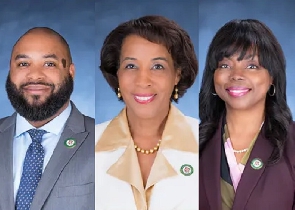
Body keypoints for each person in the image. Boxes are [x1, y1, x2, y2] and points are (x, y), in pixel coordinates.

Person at [95, 15, 199, 210]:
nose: (143, 80)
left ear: (177, 74)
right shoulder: (87, 145)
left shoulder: (209, 142)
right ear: (117, 73)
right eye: (131, 66)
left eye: (157, 66)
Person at [199, 19, 295, 210]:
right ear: (213, 76)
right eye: (225, 65)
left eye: (252, 66)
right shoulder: (191, 142)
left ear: (272, 78)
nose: (236, 75)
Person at [0, 27, 94, 210]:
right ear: (10, 71)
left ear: (70, 72)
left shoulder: (103, 140)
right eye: (23, 64)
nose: (35, 75)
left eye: (49, 64)